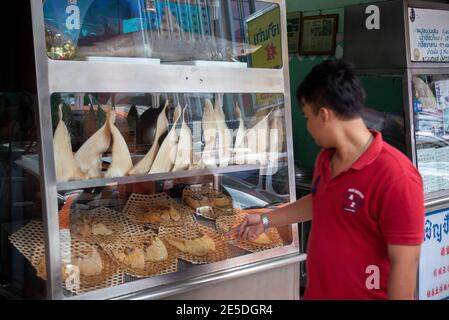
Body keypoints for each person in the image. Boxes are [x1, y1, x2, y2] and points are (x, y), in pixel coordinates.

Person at [227, 59, 425, 300]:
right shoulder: (326, 159)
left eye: (307, 117)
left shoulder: (396, 176)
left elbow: (405, 264)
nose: (308, 127)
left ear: (324, 115)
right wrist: (267, 220)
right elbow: (323, 201)